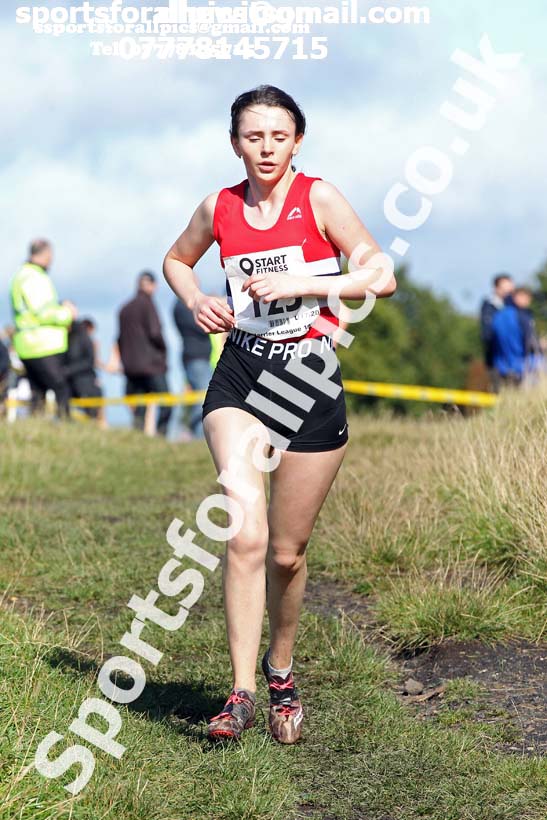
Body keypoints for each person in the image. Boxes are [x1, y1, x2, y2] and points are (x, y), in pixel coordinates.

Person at [163, 85, 396, 745]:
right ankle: (237, 695)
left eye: (277, 136)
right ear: (234, 143)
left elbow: (379, 274)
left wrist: (307, 283)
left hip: (308, 380)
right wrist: (194, 298)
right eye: (251, 136)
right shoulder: (220, 206)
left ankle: (280, 671)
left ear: (297, 141)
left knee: (288, 555)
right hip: (240, 375)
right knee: (245, 534)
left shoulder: (317, 198)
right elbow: (176, 259)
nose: (264, 148)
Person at [9, 239, 76, 418]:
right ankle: (65, 426)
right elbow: (42, 311)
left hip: (29, 344)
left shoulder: (23, 275)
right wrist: (67, 313)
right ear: (46, 254)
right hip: (40, 344)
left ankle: (36, 426)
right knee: (60, 386)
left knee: (38, 389)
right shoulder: (32, 277)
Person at [117, 271, 172, 436]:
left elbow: (119, 339)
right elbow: (155, 332)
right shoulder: (148, 304)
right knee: (167, 403)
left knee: (139, 407)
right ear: (152, 285)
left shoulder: (123, 309)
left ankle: (138, 436)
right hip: (152, 365)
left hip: (131, 367)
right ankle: (161, 435)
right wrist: (163, 350)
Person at [173, 297, 212, 438]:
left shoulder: (183, 305)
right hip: (196, 358)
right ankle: (199, 435)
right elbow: (202, 325)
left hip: (197, 358)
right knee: (201, 400)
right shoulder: (184, 305)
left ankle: (197, 434)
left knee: (199, 398)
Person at [491, 286, 539, 388]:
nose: (528, 301)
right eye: (527, 298)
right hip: (522, 364)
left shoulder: (498, 315)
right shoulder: (522, 316)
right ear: (518, 297)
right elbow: (530, 342)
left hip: (500, 365)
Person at [64, 318, 103, 420]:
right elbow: (92, 361)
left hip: (81, 380)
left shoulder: (77, 340)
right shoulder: (85, 340)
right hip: (84, 382)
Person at [480, 273, 514, 390]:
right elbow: (487, 335)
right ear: (496, 288)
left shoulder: (512, 308)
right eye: (505, 289)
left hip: (513, 361)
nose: (508, 293)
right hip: (496, 360)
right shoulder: (489, 308)